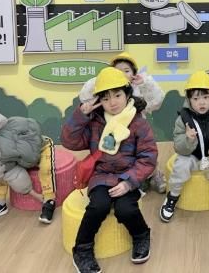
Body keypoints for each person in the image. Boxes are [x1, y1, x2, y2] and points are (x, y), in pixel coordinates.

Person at [62, 67, 157, 273]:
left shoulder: (138, 123)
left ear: (127, 94)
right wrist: (82, 114)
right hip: (101, 176)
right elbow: (70, 141)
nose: (112, 102)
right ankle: (82, 249)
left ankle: (141, 235)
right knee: (98, 206)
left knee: (126, 209)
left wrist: (128, 182)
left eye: (117, 95)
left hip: (127, 176)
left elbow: (148, 158)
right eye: (105, 98)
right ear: (99, 101)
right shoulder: (95, 122)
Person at [79, 52, 166, 193]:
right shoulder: (108, 93)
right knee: (124, 157)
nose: (123, 74)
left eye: (127, 71)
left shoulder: (137, 89)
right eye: (118, 71)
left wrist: (145, 82)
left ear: (134, 74)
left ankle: (154, 175)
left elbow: (157, 100)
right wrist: (102, 79)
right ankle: (136, 180)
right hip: (114, 131)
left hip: (138, 130)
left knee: (145, 156)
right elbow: (84, 96)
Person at [160, 71, 209, 222]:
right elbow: (178, 146)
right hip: (192, 155)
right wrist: (188, 139)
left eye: (206, 97)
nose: (201, 103)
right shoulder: (183, 119)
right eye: (196, 98)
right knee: (180, 166)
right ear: (188, 100)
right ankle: (172, 196)